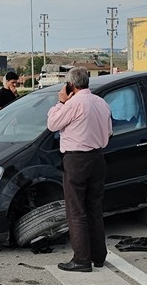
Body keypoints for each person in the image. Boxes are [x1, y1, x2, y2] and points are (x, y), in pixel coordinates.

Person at [46, 67, 112, 272]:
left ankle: (82, 259)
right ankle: (98, 255)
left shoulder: (73, 104)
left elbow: (52, 124)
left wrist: (61, 102)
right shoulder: (101, 103)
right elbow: (109, 132)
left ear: (70, 85)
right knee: (94, 209)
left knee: (76, 211)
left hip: (76, 159)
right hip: (97, 157)